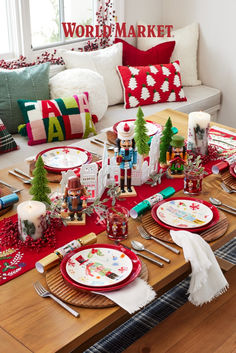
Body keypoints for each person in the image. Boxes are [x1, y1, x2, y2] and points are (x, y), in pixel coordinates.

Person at [115, 122, 137, 192]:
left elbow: (135, 156)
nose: (127, 144)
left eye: (129, 141)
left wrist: (134, 163)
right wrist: (117, 161)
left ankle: (128, 187)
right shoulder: (119, 150)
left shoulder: (133, 150)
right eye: (124, 141)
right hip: (122, 163)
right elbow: (117, 156)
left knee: (129, 175)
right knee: (122, 175)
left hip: (129, 163)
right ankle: (122, 188)